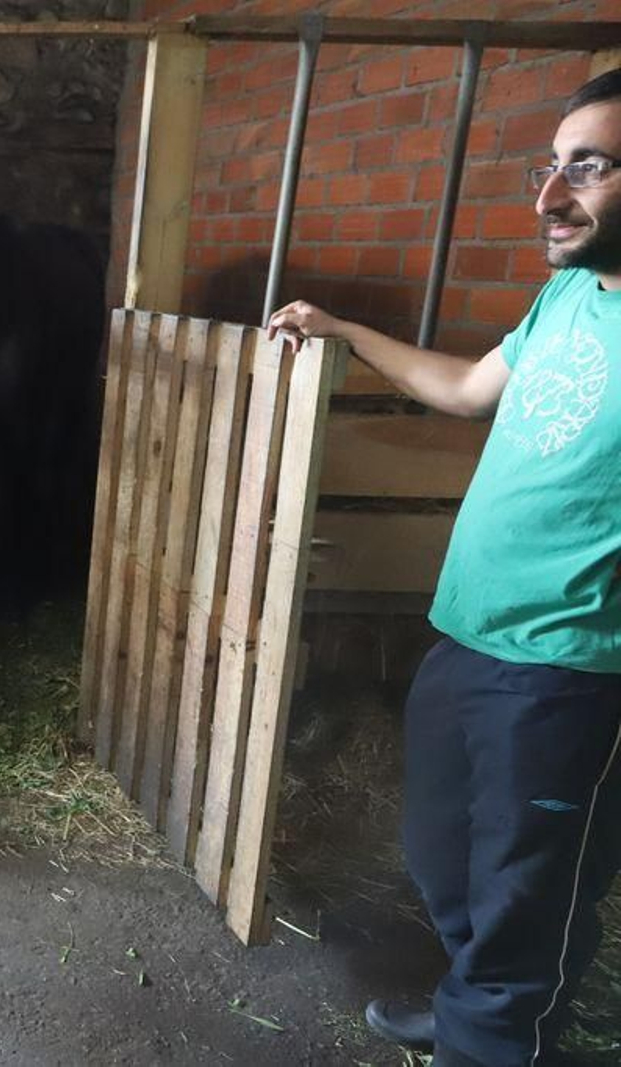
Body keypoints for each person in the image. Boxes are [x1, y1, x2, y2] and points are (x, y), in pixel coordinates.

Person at [267, 69, 621, 1067]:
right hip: (466, 634)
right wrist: (340, 329)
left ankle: (493, 1039)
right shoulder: (566, 299)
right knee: (442, 856)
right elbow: (469, 388)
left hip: (567, 666)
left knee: (526, 890)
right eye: (548, 167)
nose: (548, 195)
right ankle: (484, 1007)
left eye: (586, 168)